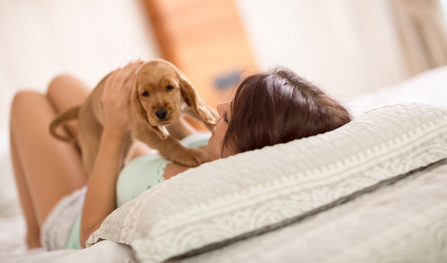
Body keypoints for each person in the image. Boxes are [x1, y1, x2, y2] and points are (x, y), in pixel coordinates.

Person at [9, 61, 351, 250]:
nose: (220, 107)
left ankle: (33, 237)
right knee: (62, 82)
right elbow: (180, 129)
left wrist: (114, 129)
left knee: (26, 101)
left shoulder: (185, 185)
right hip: (123, 169)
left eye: (230, 116)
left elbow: (89, 234)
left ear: (248, 145)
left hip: (78, 210)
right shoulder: (219, 151)